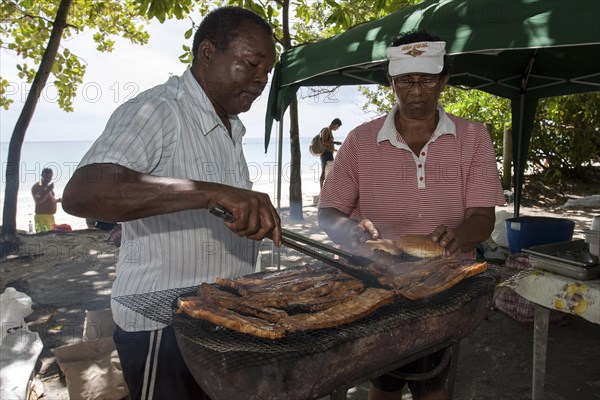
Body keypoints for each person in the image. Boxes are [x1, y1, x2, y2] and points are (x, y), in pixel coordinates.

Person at [61, 7, 281, 400]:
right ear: (207, 52)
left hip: (220, 321)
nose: (260, 80)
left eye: (266, 72)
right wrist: (210, 193)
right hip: (161, 333)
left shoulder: (230, 126)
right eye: (250, 65)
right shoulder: (160, 110)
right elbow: (83, 192)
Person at [317, 30, 505, 400]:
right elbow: (328, 213)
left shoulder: (474, 137)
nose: (417, 92)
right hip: (378, 283)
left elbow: (483, 218)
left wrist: (460, 236)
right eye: (405, 81)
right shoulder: (359, 141)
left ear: (444, 79)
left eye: (427, 80)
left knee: (433, 382)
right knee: (383, 382)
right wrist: (352, 232)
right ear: (391, 81)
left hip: (445, 289)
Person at [31, 167, 61, 232]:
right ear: (42, 175)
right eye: (46, 177)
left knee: (50, 238)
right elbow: (38, 201)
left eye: (50, 178)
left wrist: (57, 200)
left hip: (50, 217)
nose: (48, 179)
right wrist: (48, 190)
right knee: (43, 237)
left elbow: (48, 200)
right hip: (42, 217)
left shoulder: (48, 187)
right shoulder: (37, 186)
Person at [319, 117, 343, 188]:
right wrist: (335, 142)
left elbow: (329, 144)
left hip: (329, 153)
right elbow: (324, 142)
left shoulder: (330, 131)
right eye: (338, 127)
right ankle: (321, 190)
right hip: (325, 154)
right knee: (324, 172)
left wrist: (335, 150)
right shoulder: (326, 130)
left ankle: (327, 188)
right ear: (335, 124)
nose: (337, 129)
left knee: (329, 172)